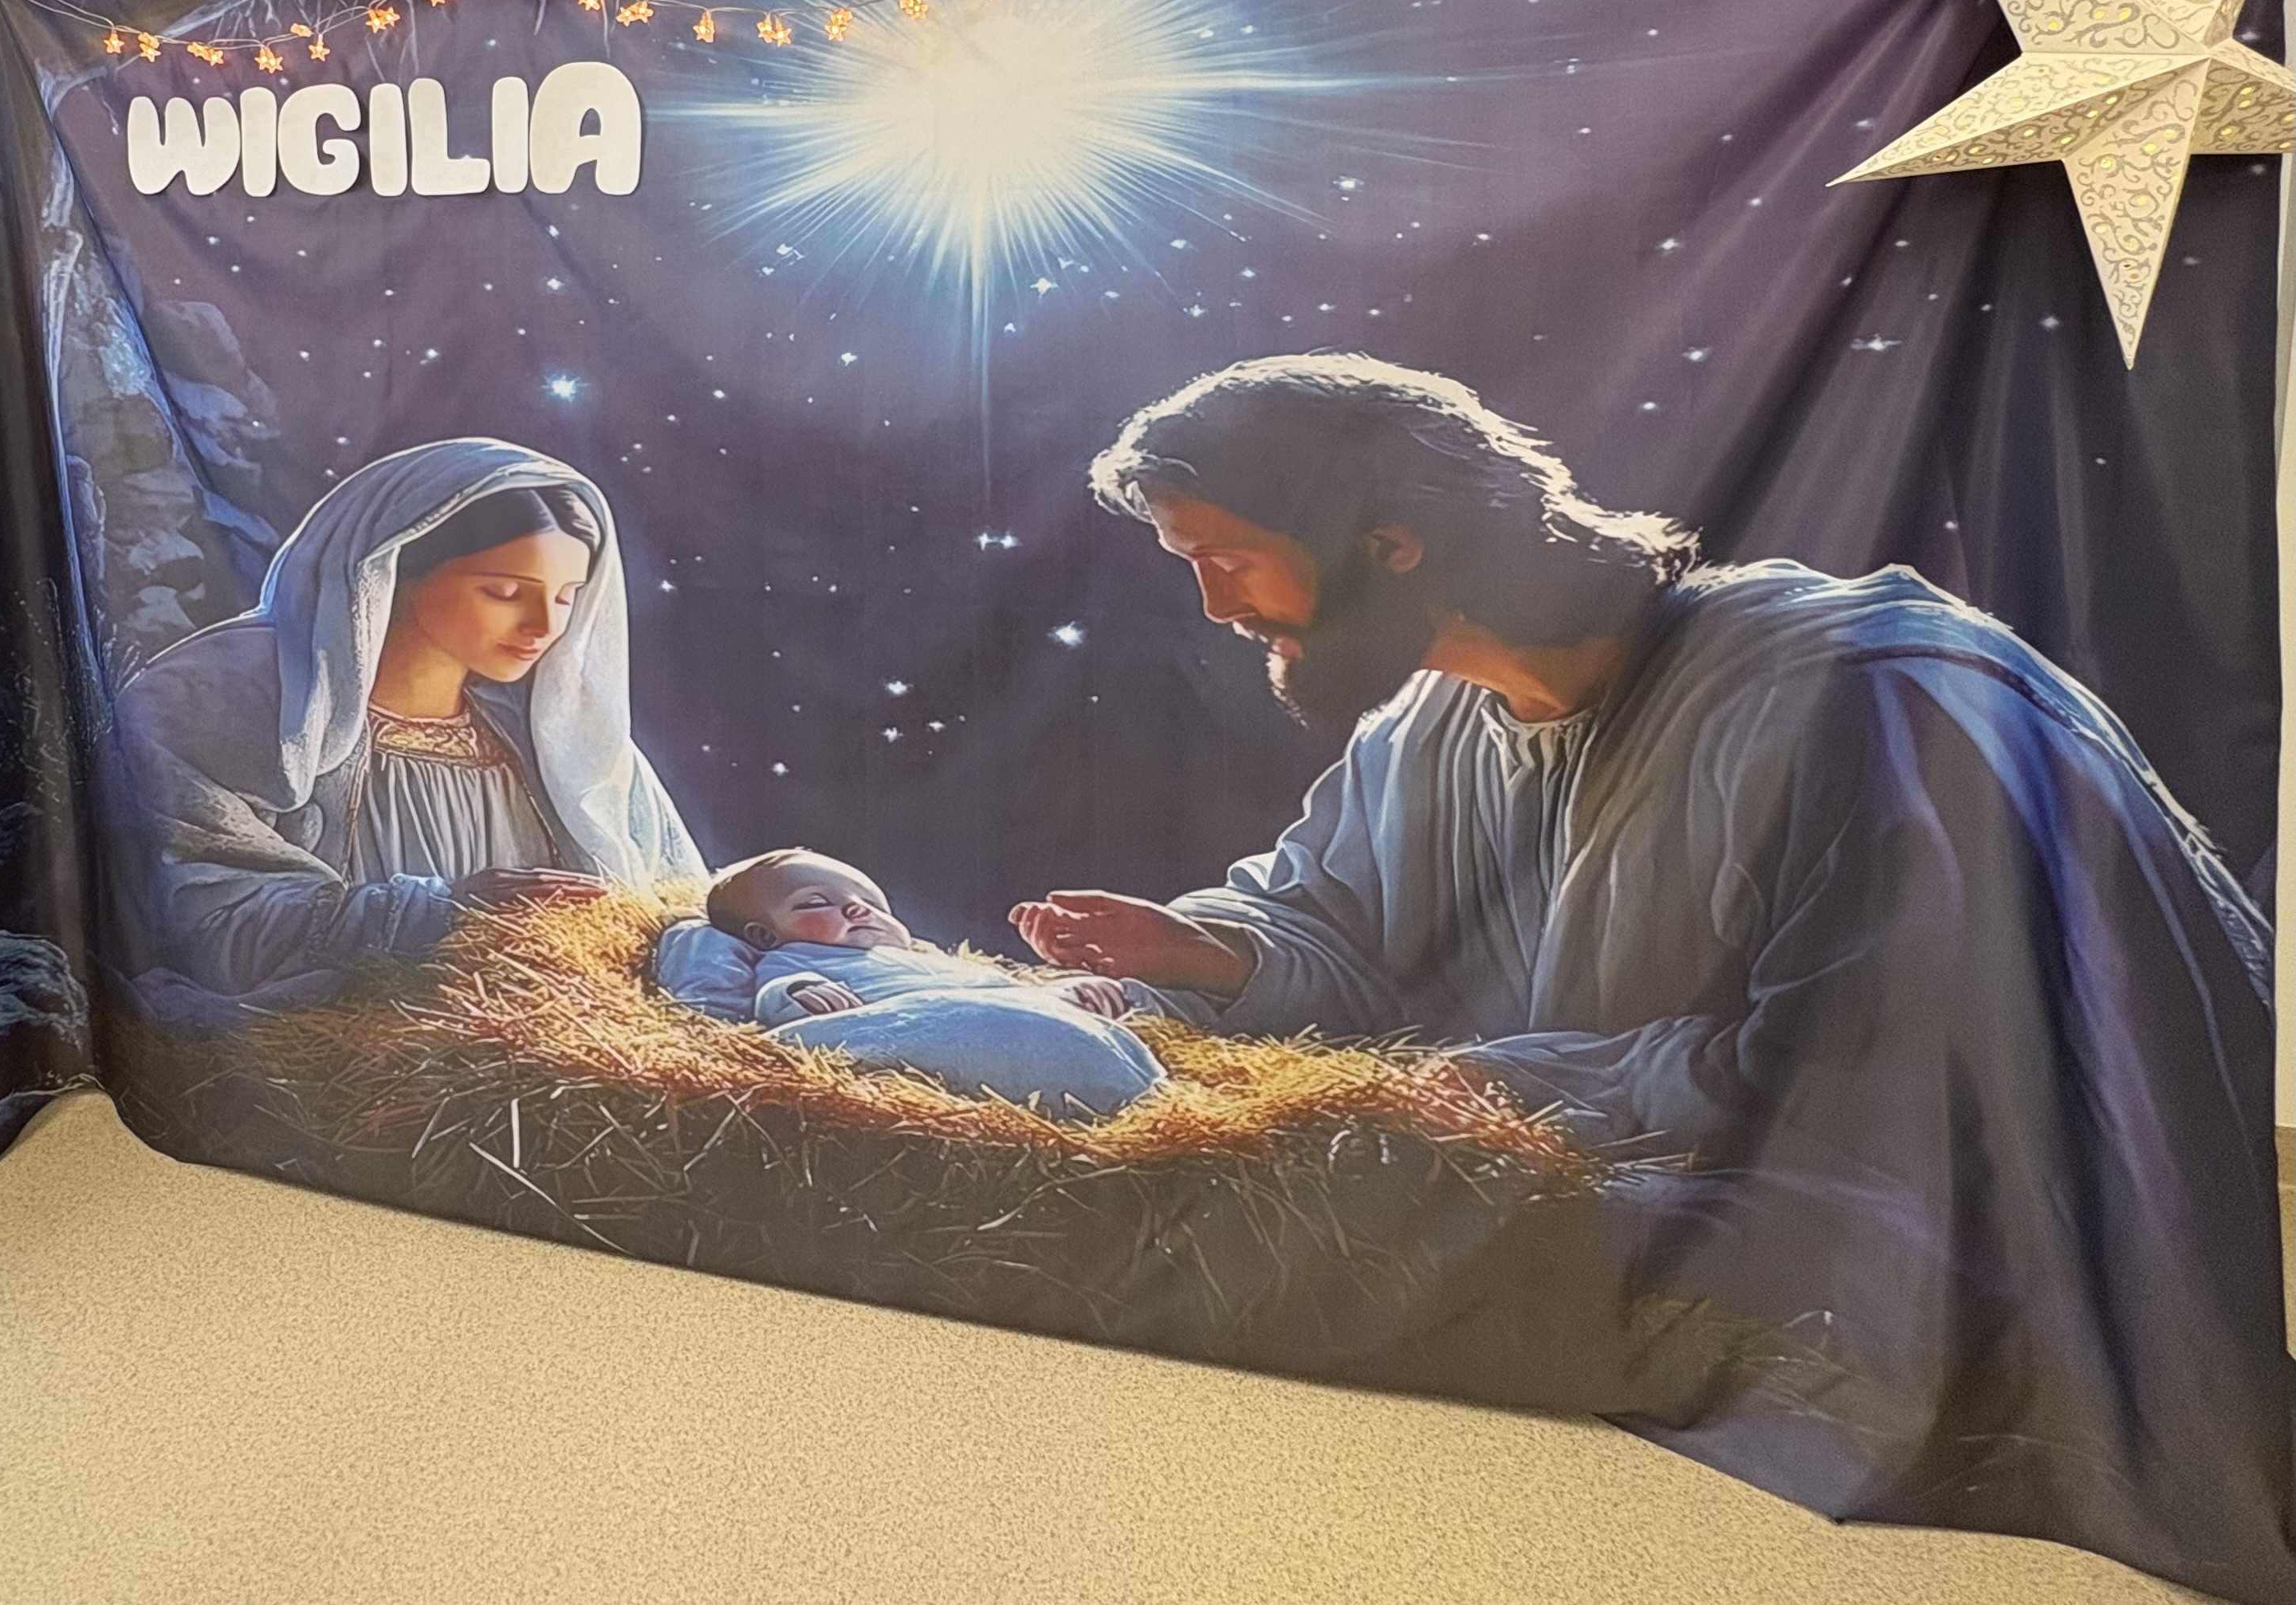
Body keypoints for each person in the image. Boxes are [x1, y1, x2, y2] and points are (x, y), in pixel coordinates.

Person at [1009, 352, 2290, 1602]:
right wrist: (1209, 953)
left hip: (1929, 1278)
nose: (1215, 608)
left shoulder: (1856, 698)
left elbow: (1860, 1079)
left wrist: (1479, 1087)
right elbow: (1338, 926)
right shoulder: (1424, 723)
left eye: (1225, 558)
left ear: (1388, 543)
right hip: (1639, 1203)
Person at [110, 438, 703, 1023]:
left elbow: (679, 909)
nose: (544, 624)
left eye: (568, 597)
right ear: (395, 568)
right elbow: (200, 923)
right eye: (504, 592)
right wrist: (438, 914)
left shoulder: (560, 739)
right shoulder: (221, 700)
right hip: (336, 1060)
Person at [659, 849, 1167, 1119]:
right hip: (878, 1026)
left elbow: (998, 993)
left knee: (1022, 1014)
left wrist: (1064, 995)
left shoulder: (938, 963)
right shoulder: (796, 956)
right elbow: (767, 1002)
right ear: (763, 935)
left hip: (994, 1018)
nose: (856, 909)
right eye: (816, 903)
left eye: (872, 903)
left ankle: (1092, 1060)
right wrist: (792, 993)